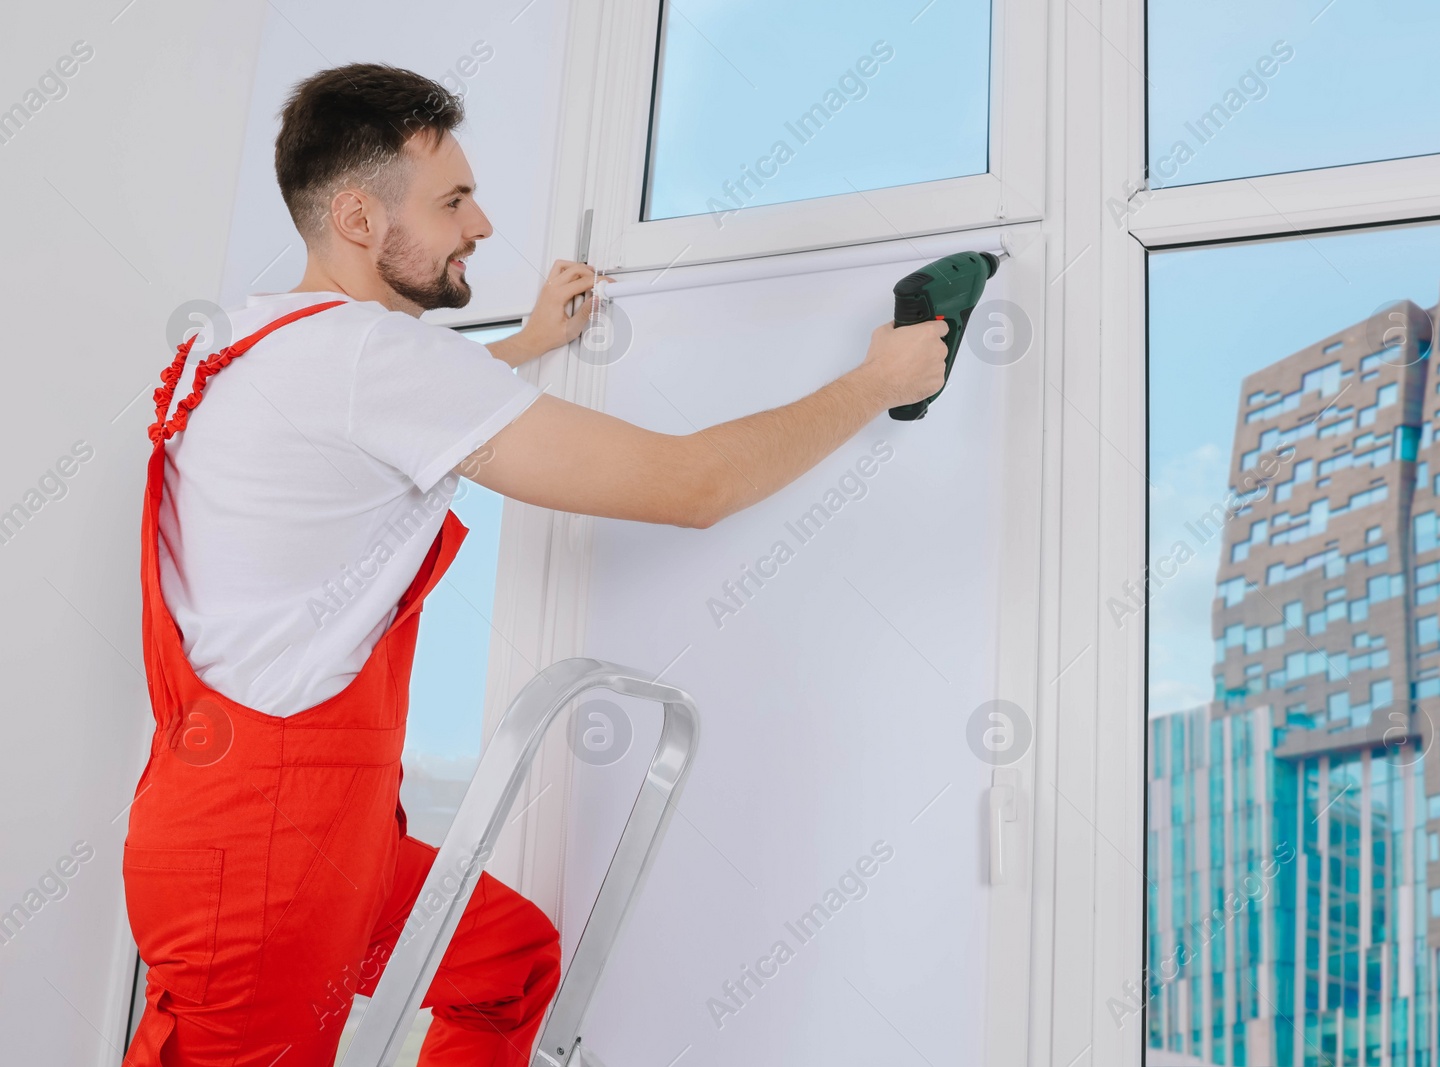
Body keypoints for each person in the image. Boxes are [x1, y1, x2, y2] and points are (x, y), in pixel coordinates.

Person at [121, 62, 949, 1065]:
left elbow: (383, 418)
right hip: (264, 859)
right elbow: (690, 487)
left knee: (505, 960)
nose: (480, 224)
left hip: (282, 825)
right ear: (356, 216)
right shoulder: (372, 361)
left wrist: (522, 346)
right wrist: (873, 383)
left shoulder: (248, 342)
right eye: (453, 200)